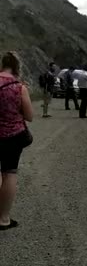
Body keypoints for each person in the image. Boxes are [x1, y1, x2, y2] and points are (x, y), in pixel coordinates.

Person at [0, 52, 33, 230]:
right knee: (9, 174)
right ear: (16, 66)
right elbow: (29, 116)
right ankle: (3, 219)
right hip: (12, 138)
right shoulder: (19, 87)